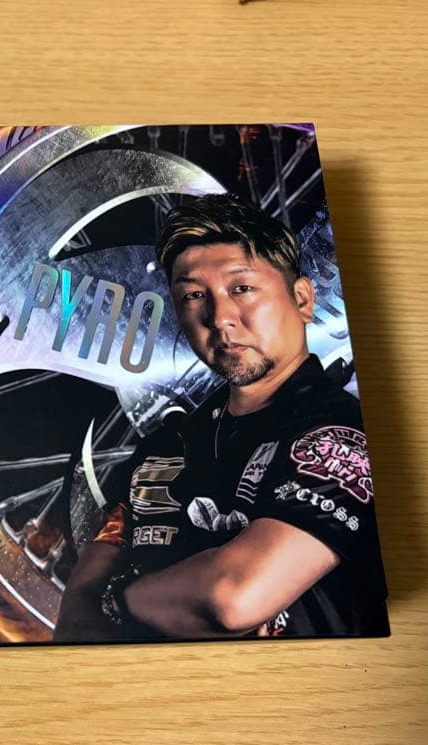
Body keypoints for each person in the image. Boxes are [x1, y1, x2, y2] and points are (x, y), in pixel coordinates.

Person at [54, 194, 389, 641]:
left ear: (303, 299)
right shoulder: (163, 446)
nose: (220, 317)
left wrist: (118, 600)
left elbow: (232, 596)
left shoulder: (345, 433)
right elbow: (75, 616)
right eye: (194, 295)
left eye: (242, 288)